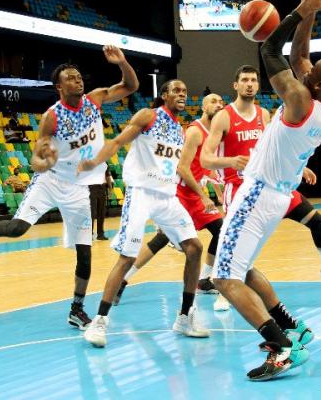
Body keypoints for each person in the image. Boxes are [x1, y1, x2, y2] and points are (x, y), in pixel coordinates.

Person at [207, 0, 321, 381]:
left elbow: (270, 47)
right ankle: (292, 326)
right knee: (245, 266)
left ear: (315, 83)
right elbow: (301, 53)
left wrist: (296, 13)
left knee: (223, 276)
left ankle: (281, 348)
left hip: (256, 193)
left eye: (312, 70)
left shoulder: (299, 99)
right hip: (275, 196)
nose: (306, 64)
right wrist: (311, 13)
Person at [0, 45, 138, 332]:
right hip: (51, 182)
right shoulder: (51, 117)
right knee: (17, 229)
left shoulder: (95, 100)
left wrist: (122, 61)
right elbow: (38, 156)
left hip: (79, 188)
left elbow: (130, 85)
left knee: (85, 254)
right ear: (58, 86)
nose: (78, 80)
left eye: (79, 77)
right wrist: (42, 162)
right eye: (71, 78)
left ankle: (77, 309)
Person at [80, 80, 210, 348]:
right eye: (176, 90)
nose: (182, 94)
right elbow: (117, 141)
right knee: (127, 257)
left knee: (195, 247)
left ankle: (185, 317)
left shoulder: (179, 128)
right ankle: (99, 321)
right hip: (141, 193)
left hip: (167, 196)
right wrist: (95, 162)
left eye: (185, 91)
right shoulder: (149, 115)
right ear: (164, 95)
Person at [200, 65, 321, 285]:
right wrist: (231, 161)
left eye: (254, 80)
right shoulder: (223, 117)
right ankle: (220, 287)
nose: (249, 84)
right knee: (232, 240)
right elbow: (205, 159)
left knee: (317, 221)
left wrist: (300, 167)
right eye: (244, 80)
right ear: (235, 85)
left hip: (276, 184)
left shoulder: (263, 113)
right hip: (241, 186)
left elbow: (279, 144)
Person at [113, 93, 229, 311]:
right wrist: (205, 196)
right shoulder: (194, 131)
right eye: (213, 101)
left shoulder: (216, 134)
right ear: (203, 107)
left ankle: (204, 279)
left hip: (195, 193)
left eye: (221, 102)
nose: (219, 104)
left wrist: (215, 188)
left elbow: (206, 167)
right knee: (159, 241)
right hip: (180, 192)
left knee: (221, 231)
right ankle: (123, 279)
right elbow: (183, 168)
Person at [90, 167, 114, 241]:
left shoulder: (104, 162)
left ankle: (100, 234)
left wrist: (110, 189)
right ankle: (89, 234)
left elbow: (108, 176)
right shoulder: (89, 159)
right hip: (91, 188)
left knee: (101, 213)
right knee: (92, 213)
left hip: (102, 188)